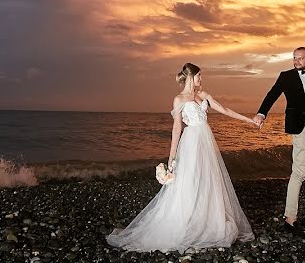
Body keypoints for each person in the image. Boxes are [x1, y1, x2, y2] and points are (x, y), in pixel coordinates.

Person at [107, 63, 256, 252]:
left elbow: (225, 109)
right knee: (189, 181)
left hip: (206, 144)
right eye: (199, 76)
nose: (201, 80)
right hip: (191, 144)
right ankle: (185, 221)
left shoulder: (203, 95)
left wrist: (250, 120)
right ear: (191, 77)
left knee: (207, 181)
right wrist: (171, 157)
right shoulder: (179, 100)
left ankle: (206, 220)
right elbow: (177, 128)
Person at [253, 47, 305, 235]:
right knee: (299, 172)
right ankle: (290, 219)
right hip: (302, 128)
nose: (297, 61)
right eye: (294, 58)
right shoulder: (286, 76)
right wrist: (262, 113)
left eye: (300, 58)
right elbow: (272, 94)